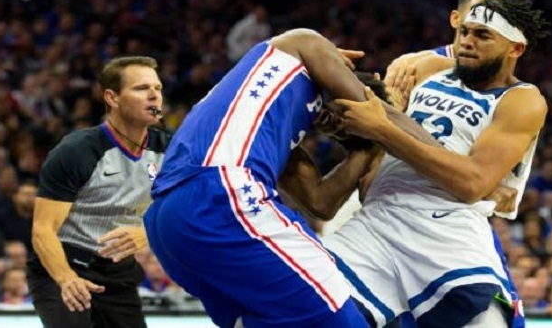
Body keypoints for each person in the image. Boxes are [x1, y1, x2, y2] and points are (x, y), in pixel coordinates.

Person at [143, 28, 438, 328]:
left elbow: (320, 202)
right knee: (337, 310)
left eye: (343, 133)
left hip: (169, 223)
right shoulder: (304, 45)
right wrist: (458, 167)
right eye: (344, 118)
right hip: (219, 193)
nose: (336, 128)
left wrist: (367, 145)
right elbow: (385, 118)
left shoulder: (274, 121)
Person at [324, 0, 551, 327]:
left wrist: (384, 129)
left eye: (482, 36)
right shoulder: (423, 67)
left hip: (447, 224)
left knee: (486, 322)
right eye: (465, 32)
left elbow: (472, 184)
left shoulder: (522, 99)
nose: (466, 43)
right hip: (380, 216)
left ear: (515, 49)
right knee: (301, 306)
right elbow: (372, 145)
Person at [27, 56, 170, 328]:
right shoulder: (76, 151)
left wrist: (148, 232)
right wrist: (67, 279)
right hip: (63, 266)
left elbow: (185, 208)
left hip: (119, 272)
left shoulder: (170, 149)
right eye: (141, 88)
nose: (154, 95)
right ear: (112, 98)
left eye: (158, 88)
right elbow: (42, 230)